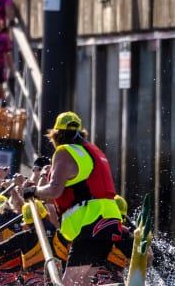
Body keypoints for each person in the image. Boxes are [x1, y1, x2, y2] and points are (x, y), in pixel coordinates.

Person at [24, 111, 126, 286]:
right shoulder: (91, 152)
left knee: (69, 283)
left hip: (91, 223)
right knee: (83, 282)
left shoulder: (64, 153)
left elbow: (55, 190)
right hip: (110, 221)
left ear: (56, 135)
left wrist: (33, 191)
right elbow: (74, 193)